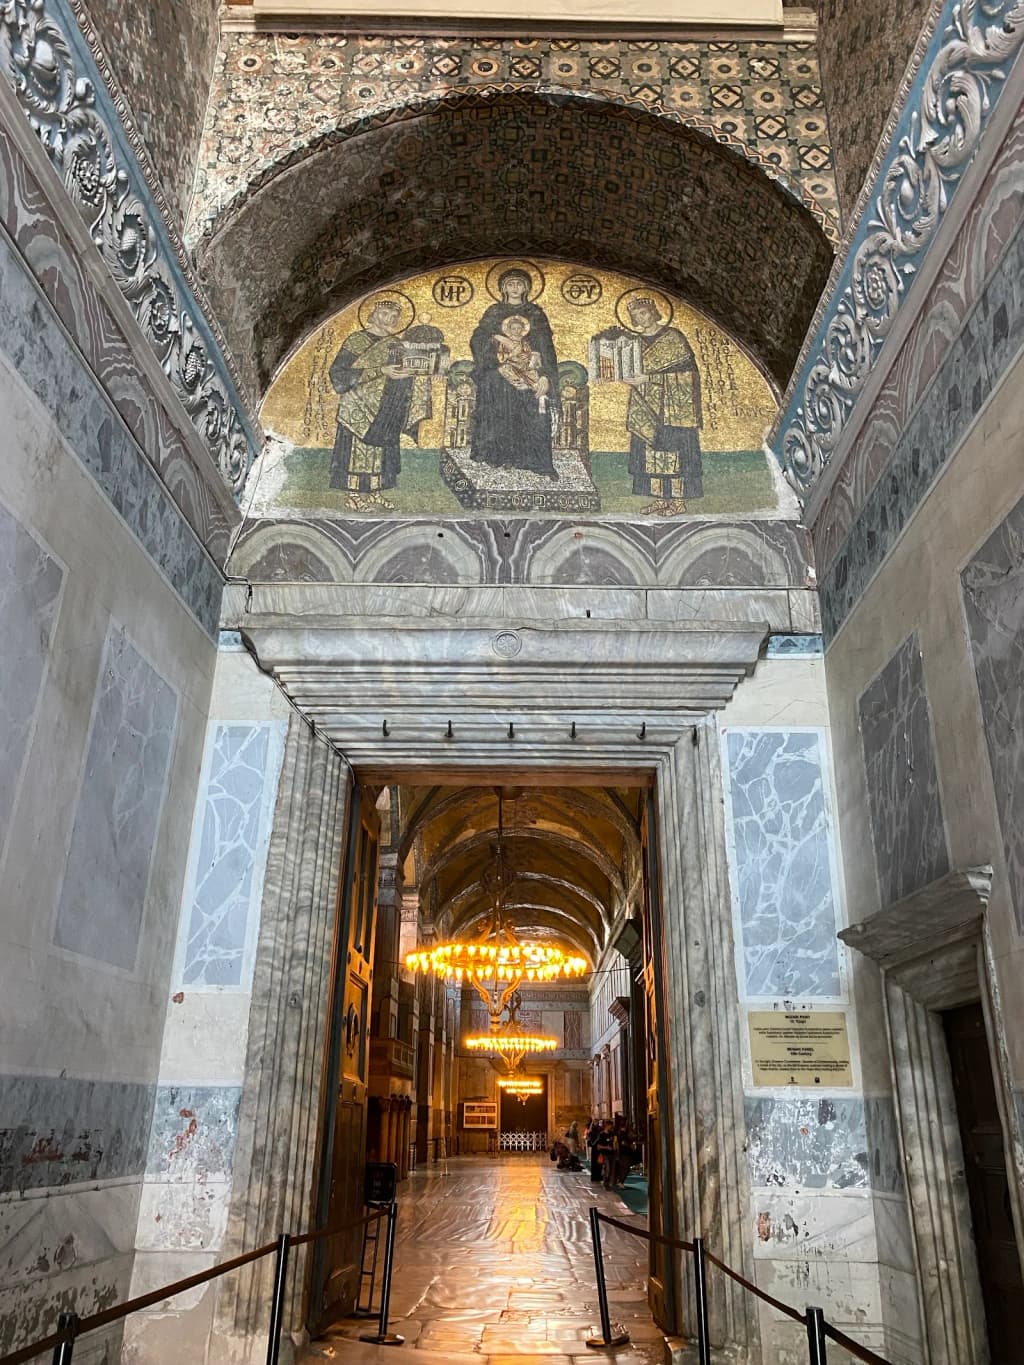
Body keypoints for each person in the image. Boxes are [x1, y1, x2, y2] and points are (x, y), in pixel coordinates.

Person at [328, 298, 435, 497]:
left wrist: (408, 376)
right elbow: (339, 374)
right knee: (356, 452)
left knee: (382, 452)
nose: (389, 319)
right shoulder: (357, 340)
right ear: (374, 314)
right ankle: (353, 496)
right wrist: (381, 370)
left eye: (394, 317)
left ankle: (376, 493)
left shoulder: (397, 344)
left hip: (386, 407)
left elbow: (401, 373)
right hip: (358, 405)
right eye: (385, 314)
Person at [469, 269, 559, 478]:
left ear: (526, 288)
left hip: (530, 370)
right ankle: (497, 456)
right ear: (503, 288)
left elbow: (546, 347)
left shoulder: (535, 313)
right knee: (496, 389)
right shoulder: (494, 311)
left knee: (535, 400)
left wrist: (545, 375)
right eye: (510, 284)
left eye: (519, 284)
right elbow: (478, 339)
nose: (515, 288)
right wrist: (500, 340)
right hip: (497, 371)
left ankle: (534, 461)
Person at [620, 296, 703, 509]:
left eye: (644, 313)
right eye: (636, 315)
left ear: (653, 312)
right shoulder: (634, 342)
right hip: (646, 403)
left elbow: (689, 374)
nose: (642, 318)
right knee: (651, 452)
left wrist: (648, 378)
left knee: (673, 451)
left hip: (673, 407)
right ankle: (660, 499)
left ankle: (678, 501)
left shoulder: (672, 337)